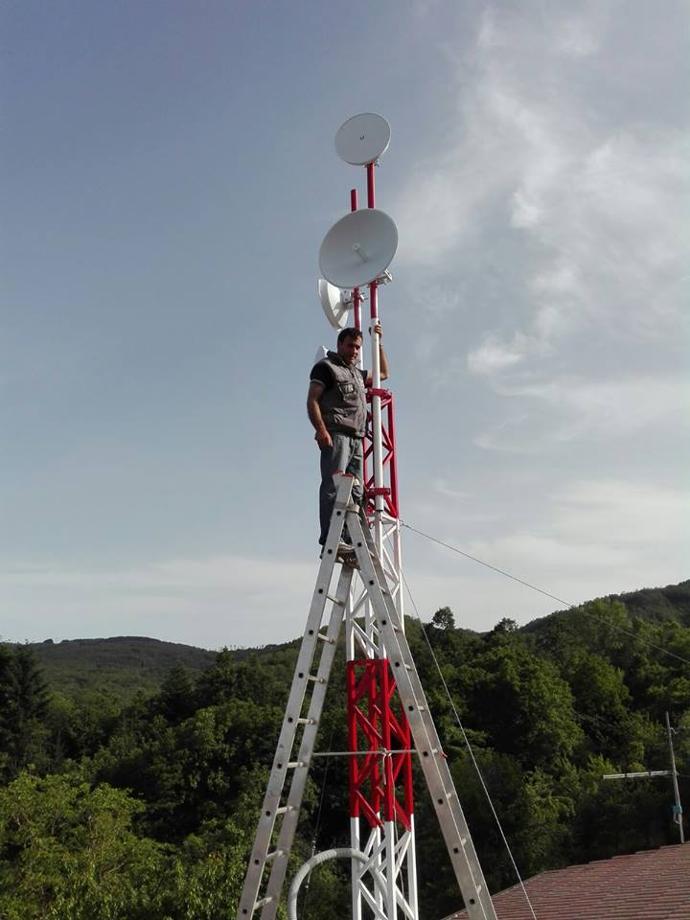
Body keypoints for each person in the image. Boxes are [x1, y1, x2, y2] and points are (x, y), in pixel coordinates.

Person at [307, 324, 389, 552]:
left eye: (358, 348)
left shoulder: (356, 373)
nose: (354, 351)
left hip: (356, 438)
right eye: (351, 346)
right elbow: (312, 399)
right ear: (339, 345)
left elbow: (383, 374)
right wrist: (321, 430)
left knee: (356, 491)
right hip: (337, 435)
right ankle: (331, 538)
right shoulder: (326, 368)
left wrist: (378, 341)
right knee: (333, 487)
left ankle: (351, 537)